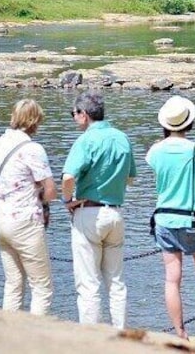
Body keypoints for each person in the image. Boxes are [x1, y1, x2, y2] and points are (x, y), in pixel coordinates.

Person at [0, 99, 56, 315]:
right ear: (35, 121)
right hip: (26, 222)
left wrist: (2, 187)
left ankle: (10, 336)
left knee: (13, 283)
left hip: (2, 222)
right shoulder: (33, 149)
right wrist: (41, 197)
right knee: (41, 286)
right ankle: (37, 339)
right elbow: (51, 192)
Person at [146, 96, 195, 339]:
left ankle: (180, 332)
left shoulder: (155, 151)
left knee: (171, 281)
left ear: (165, 124)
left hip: (165, 220)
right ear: (189, 123)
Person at [62, 91, 136, 328]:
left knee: (88, 282)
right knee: (116, 281)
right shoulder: (122, 137)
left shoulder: (85, 140)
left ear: (84, 115)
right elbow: (131, 178)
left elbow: (68, 177)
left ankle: (91, 337)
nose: (74, 118)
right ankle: (120, 332)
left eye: (74, 114)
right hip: (115, 212)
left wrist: (67, 201)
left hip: (88, 212)